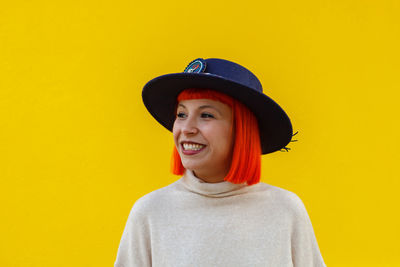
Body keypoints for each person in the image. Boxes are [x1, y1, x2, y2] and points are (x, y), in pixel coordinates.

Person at [114, 58, 326, 266]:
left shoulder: (285, 210)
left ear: (242, 130)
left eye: (206, 115)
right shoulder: (151, 212)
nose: (186, 128)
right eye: (181, 114)